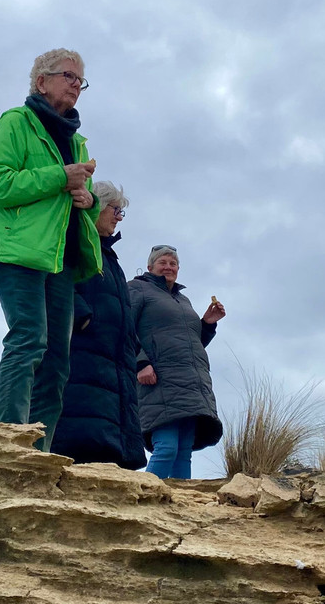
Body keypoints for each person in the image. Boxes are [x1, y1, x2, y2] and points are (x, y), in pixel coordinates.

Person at [0, 48, 102, 452]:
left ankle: (38, 452)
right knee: (28, 340)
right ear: (41, 81)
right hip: (17, 251)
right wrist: (59, 177)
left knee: (57, 363)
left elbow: (79, 200)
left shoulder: (77, 142)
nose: (76, 85)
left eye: (81, 80)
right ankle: (7, 443)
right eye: (69, 76)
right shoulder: (16, 122)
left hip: (60, 259)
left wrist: (89, 201)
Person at [51, 182, 147, 470]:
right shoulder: (75, 238)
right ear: (96, 205)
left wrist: (133, 347)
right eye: (115, 210)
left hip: (114, 363)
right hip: (84, 353)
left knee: (109, 445)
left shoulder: (109, 257)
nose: (119, 218)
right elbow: (56, 277)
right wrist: (80, 317)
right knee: (83, 439)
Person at [129, 245, 226, 479]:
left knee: (183, 451)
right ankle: (143, 495)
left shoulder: (184, 300)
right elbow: (123, 327)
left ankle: (177, 499)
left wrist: (207, 324)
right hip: (158, 379)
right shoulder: (137, 289)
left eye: (173, 264)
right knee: (166, 447)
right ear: (150, 267)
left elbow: (190, 344)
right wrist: (140, 363)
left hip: (191, 383)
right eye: (162, 262)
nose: (168, 267)